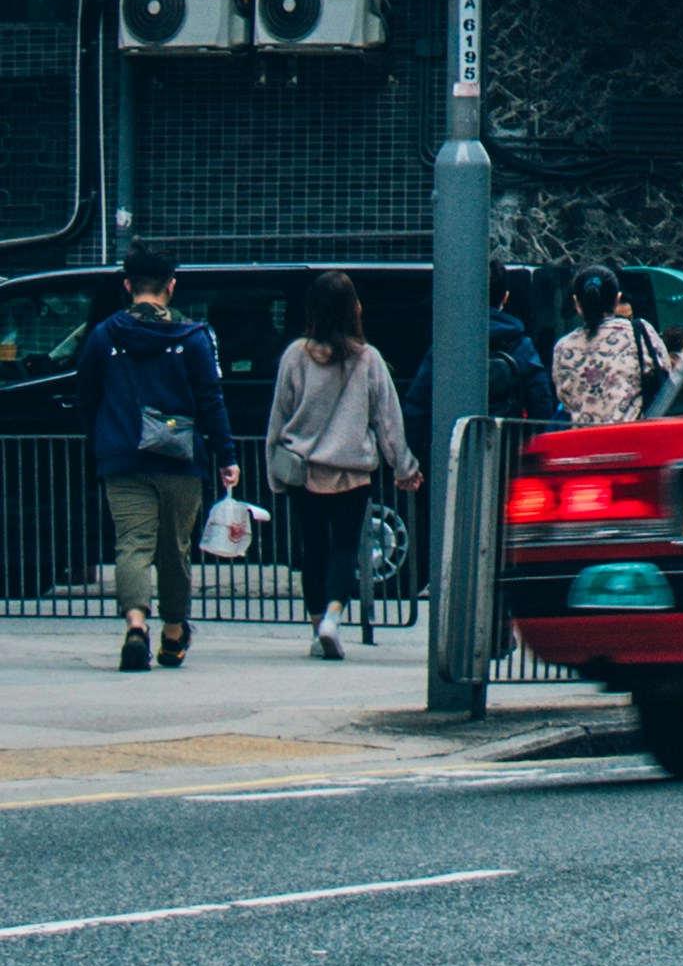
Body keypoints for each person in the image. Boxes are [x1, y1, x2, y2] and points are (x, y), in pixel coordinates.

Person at [74, 240, 238, 674]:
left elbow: (86, 396)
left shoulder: (104, 336)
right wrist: (226, 454)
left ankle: (134, 626)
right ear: (171, 286)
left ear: (129, 286)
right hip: (181, 461)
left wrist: (104, 439)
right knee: (175, 549)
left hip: (123, 459)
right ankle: (172, 634)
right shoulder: (194, 337)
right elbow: (210, 400)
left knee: (132, 544)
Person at [268, 271, 419, 661]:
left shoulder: (295, 356)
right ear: (354, 308)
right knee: (345, 548)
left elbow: (278, 418)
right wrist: (403, 467)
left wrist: (274, 472)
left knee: (312, 549)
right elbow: (387, 420)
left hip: (303, 470)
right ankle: (335, 615)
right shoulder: (367, 358)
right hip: (352, 472)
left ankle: (318, 626)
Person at [403, 263, 559, 452]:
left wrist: (428, 452)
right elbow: (540, 403)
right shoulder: (520, 345)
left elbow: (418, 403)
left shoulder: (447, 345)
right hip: (506, 452)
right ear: (505, 297)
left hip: (455, 453)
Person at [552, 267, 674, 426]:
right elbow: (665, 376)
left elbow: (566, 401)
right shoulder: (641, 332)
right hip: (631, 440)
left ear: (577, 303)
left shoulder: (563, 347)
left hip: (583, 444)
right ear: (617, 299)